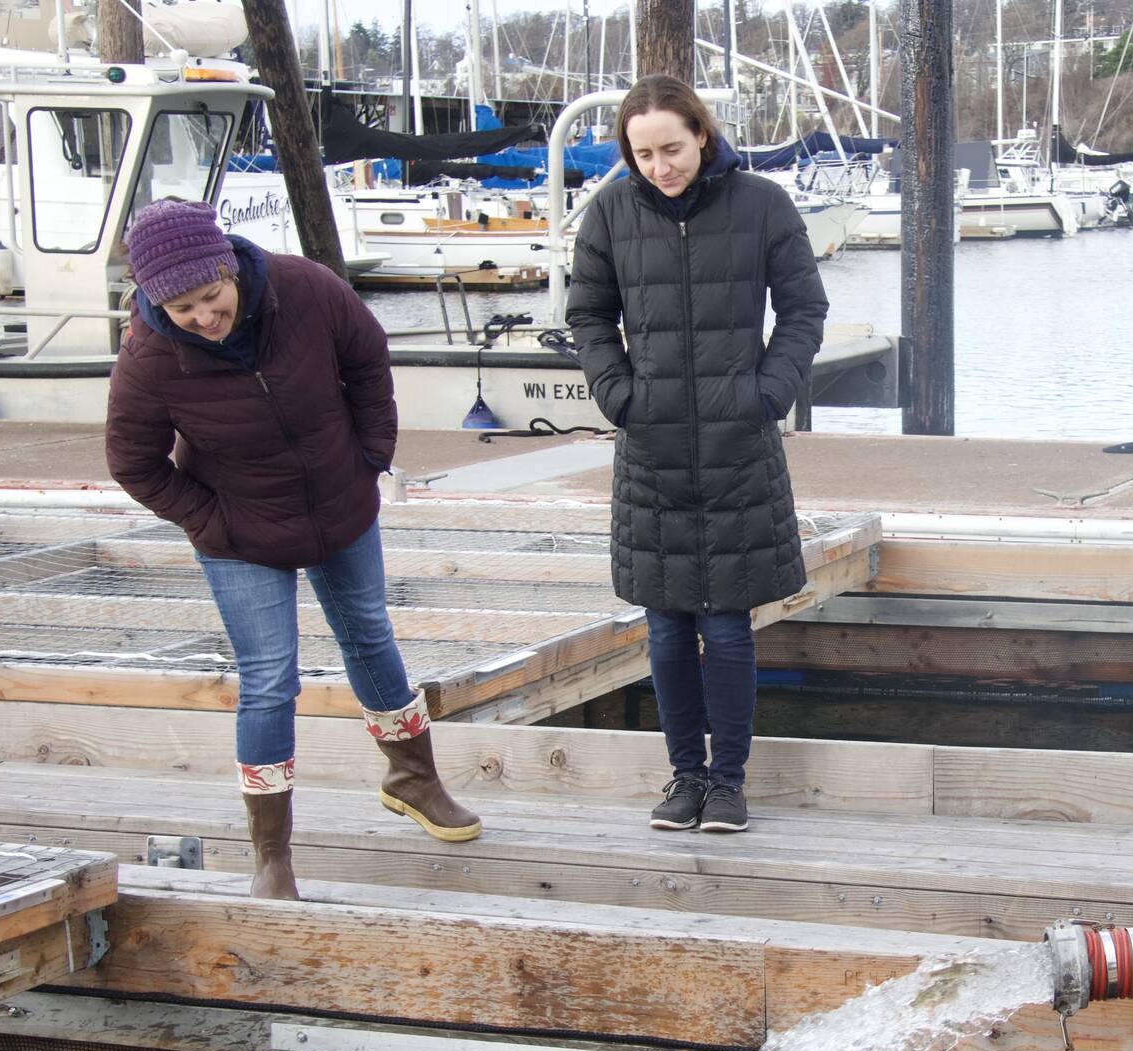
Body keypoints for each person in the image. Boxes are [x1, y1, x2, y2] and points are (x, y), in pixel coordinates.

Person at [105, 198, 481, 900]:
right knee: (270, 678)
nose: (204, 317)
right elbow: (133, 461)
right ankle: (271, 855)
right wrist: (209, 520)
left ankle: (413, 780)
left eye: (211, 296)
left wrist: (371, 454)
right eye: (183, 308)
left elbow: (367, 361)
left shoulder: (305, 288)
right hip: (240, 530)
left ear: (227, 266)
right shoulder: (151, 355)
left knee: (370, 635)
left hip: (339, 501)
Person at [566, 75, 829, 835]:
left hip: (736, 445)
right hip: (651, 449)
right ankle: (684, 777)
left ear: (702, 136)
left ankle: (730, 782)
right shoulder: (611, 213)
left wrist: (766, 393)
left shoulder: (762, 205)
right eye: (643, 153)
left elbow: (805, 306)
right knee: (668, 626)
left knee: (726, 626)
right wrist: (618, 393)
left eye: (671, 148)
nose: (660, 166)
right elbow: (587, 312)